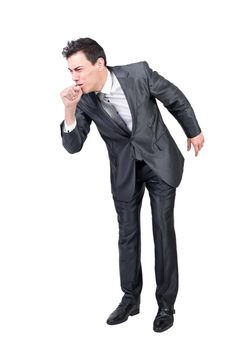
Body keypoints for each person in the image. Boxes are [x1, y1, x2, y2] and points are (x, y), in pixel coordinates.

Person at [59, 37, 204, 333]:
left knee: (162, 230)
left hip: (158, 161)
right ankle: (130, 298)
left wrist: (194, 130)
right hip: (125, 172)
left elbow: (174, 97)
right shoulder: (83, 100)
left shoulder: (138, 73)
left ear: (99, 63)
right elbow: (73, 146)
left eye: (79, 69)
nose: (74, 77)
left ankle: (165, 304)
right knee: (127, 235)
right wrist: (69, 110)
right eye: (70, 71)